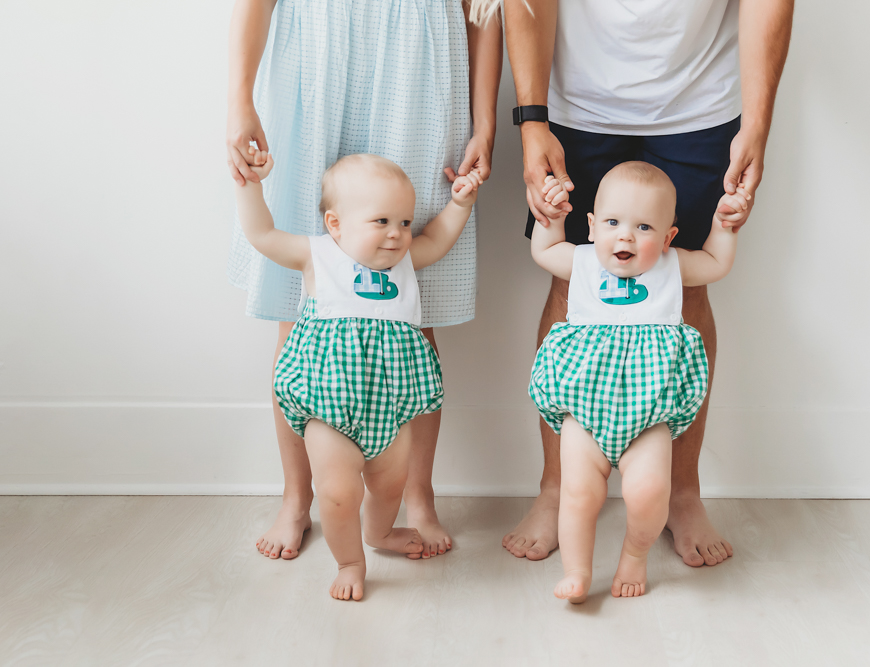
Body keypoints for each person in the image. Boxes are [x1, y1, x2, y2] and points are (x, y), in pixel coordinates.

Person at [499, 0, 793, 566]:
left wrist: (757, 120)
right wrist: (531, 117)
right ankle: (556, 490)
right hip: (575, 104)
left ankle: (682, 493)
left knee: (684, 291)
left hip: (698, 105)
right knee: (572, 287)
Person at [226, 0, 502, 561]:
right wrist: (238, 99)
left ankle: (418, 496)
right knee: (299, 307)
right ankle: (296, 497)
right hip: (312, 56)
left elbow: (486, 9)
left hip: (420, 64)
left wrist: (486, 120)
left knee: (412, 305)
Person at [235, 151, 482, 600]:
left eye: (405, 223)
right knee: (338, 493)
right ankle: (350, 561)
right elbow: (261, 233)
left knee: (389, 486)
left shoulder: (406, 261)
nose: (397, 234)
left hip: (393, 407)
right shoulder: (318, 256)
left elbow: (439, 239)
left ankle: (380, 532)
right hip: (328, 406)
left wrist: (460, 204)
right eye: (382, 221)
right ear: (335, 224)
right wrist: (250, 184)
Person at [529, 164, 748, 601]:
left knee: (650, 493)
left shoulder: (671, 267)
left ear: (668, 238)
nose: (625, 236)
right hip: (584, 413)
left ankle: (634, 555)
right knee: (578, 494)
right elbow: (545, 251)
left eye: (644, 227)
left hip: (648, 417)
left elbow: (717, 263)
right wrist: (550, 220)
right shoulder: (582, 261)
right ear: (591, 227)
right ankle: (577, 570)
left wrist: (724, 225)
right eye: (612, 223)